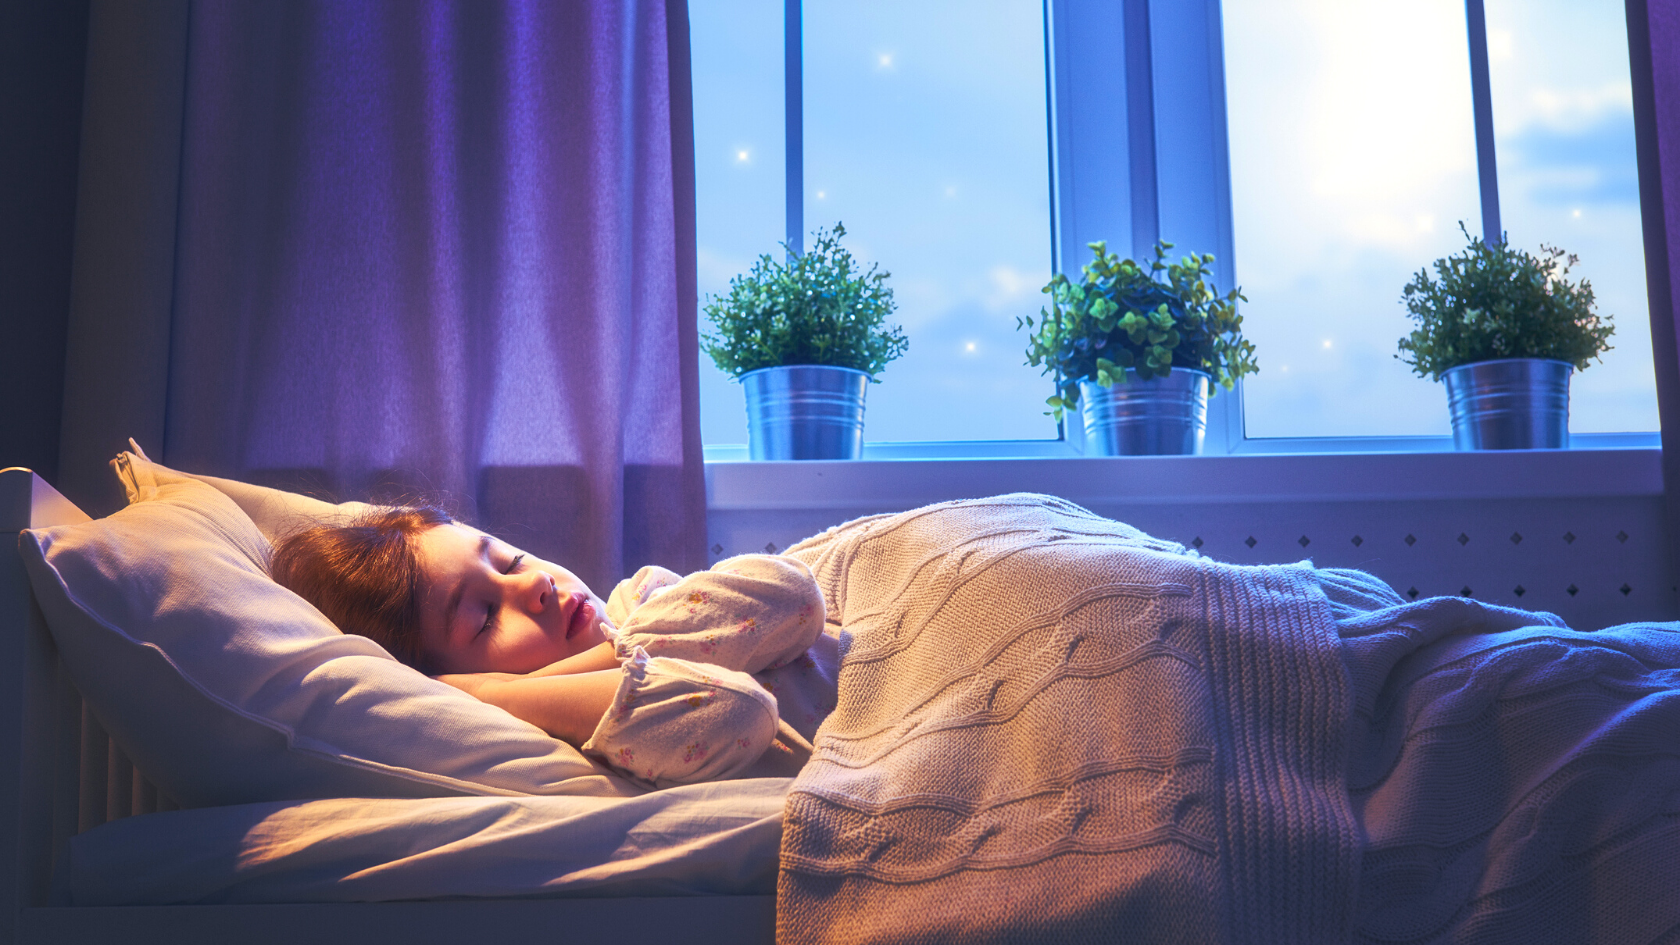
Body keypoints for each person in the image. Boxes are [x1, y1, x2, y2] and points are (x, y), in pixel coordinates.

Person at [271, 506, 836, 787]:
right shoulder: (591, 731)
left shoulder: (640, 598)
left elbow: (793, 594)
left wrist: (612, 646)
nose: (535, 584)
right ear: (454, 683)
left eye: (510, 560)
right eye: (485, 616)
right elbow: (739, 710)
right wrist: (498, 697)